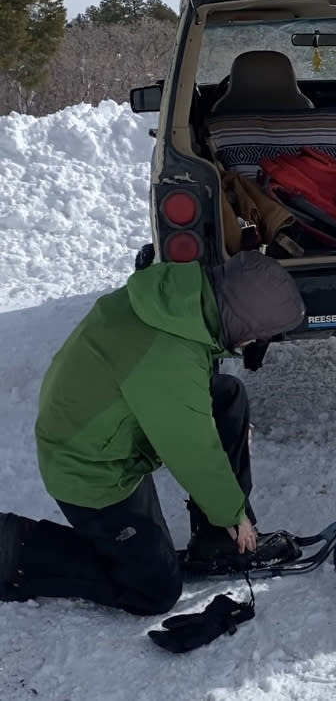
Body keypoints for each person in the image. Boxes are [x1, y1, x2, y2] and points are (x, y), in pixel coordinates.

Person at [0, 250, 305, 615]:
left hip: (106, 427)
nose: (258, 342)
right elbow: (191, 448)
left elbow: (187, 404)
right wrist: (233, 512)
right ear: (241, 320)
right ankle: (14, 548)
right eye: (260, 334)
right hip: (90, 470)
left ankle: (217, 543)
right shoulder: (168, 357)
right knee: (154, 590)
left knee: (226, 397)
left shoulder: (177, 304)